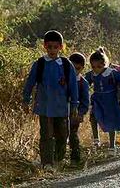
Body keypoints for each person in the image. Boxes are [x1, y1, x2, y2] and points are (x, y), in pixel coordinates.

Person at [22, 30, 78, 171]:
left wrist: (74, 105)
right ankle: (47, 163)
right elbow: (30, 83)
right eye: (49, 47)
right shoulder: (40, 64)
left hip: (61, 107)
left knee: (62, 134)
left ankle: (58, 159)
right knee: (46, 135)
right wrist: (26, 99)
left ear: (61, 47)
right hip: (44, 107)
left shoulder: (66, 65)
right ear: (45, 47)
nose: (52, 50)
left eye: (56, 47)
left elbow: (73, 86)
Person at [85, 47, 120, 157]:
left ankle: (112, 145)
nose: (96, 69)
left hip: (110, 100)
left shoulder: (112, 73)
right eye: (93, 67)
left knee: (112, 123)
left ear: (104, 64)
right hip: (97, 99)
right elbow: (84, 82)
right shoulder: (92, 74)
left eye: (99, 66)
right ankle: (96, 139)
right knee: (93, 117)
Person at [68, 52, 90, 165]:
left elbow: (85, 101)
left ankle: (75, 158)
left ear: (82, 68)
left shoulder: (82, 83)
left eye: (77, 68)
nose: (74, 71)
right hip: (61, 112)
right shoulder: (64, 79)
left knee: (72, 135)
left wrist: (81, 113)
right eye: (72, 67)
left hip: (74, 114)